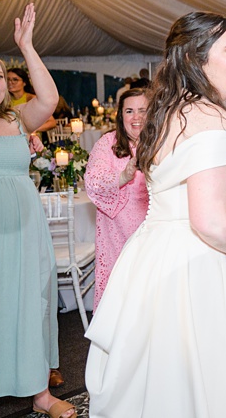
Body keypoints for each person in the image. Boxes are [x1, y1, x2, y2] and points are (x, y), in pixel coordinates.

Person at [87, 10, 226, 417]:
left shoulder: (169, 111)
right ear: (195, 60)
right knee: (208, 386)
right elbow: (211, 221)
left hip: (155, 259)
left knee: (166, 387)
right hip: (203, 265)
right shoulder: (211, 119)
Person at [0, 2, 72, 418]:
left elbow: (49, 98)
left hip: (22, 229)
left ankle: (40, 394)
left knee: (29, 302)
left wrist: (26, 47)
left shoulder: (18, 120)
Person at [86, 79, 152, 303]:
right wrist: (123, 176)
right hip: (116, 230)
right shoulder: (108, 143)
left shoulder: (161, 142)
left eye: (143, 110)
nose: (136, 117)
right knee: (121, 292)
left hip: (153, 227)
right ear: (120, 115)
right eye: (130, 111)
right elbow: (93, 181)